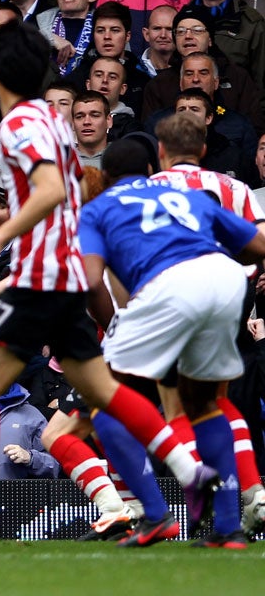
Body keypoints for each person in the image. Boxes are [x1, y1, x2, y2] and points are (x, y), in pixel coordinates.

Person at [0, 21, 217, 549]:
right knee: (105, 392)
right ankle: (191, 472)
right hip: (67, 274)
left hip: (41, 280)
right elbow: (57, 195)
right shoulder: (50, 117)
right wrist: (7, 211)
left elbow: (48, 190)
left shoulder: (18, 122)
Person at [79, 137, 265, 547]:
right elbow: (258, 247)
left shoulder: (97, 207)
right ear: (150, 170)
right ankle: (228, 530)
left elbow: (91, 280)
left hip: (167, 287)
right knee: (204, 404)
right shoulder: (185, 195)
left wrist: (113, 328)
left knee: (108, 402)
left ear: (106, 177)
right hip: (226, 280)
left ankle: (157, 515)